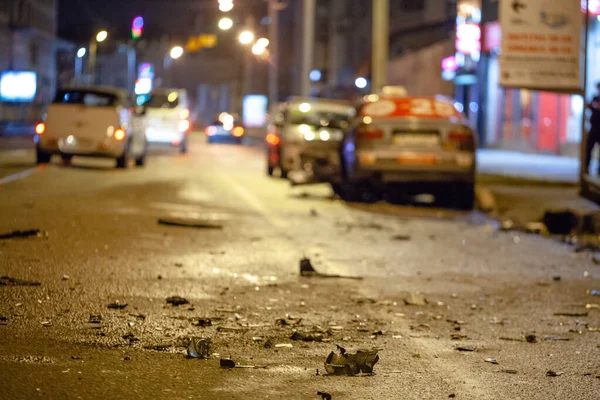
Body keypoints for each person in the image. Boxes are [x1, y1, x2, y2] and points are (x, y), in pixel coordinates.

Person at [585, 83, 600, 175]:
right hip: (594, 128)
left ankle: (599, 170)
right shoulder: (595, 98)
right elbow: (590, 106)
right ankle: (586, 167)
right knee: (589, 148)